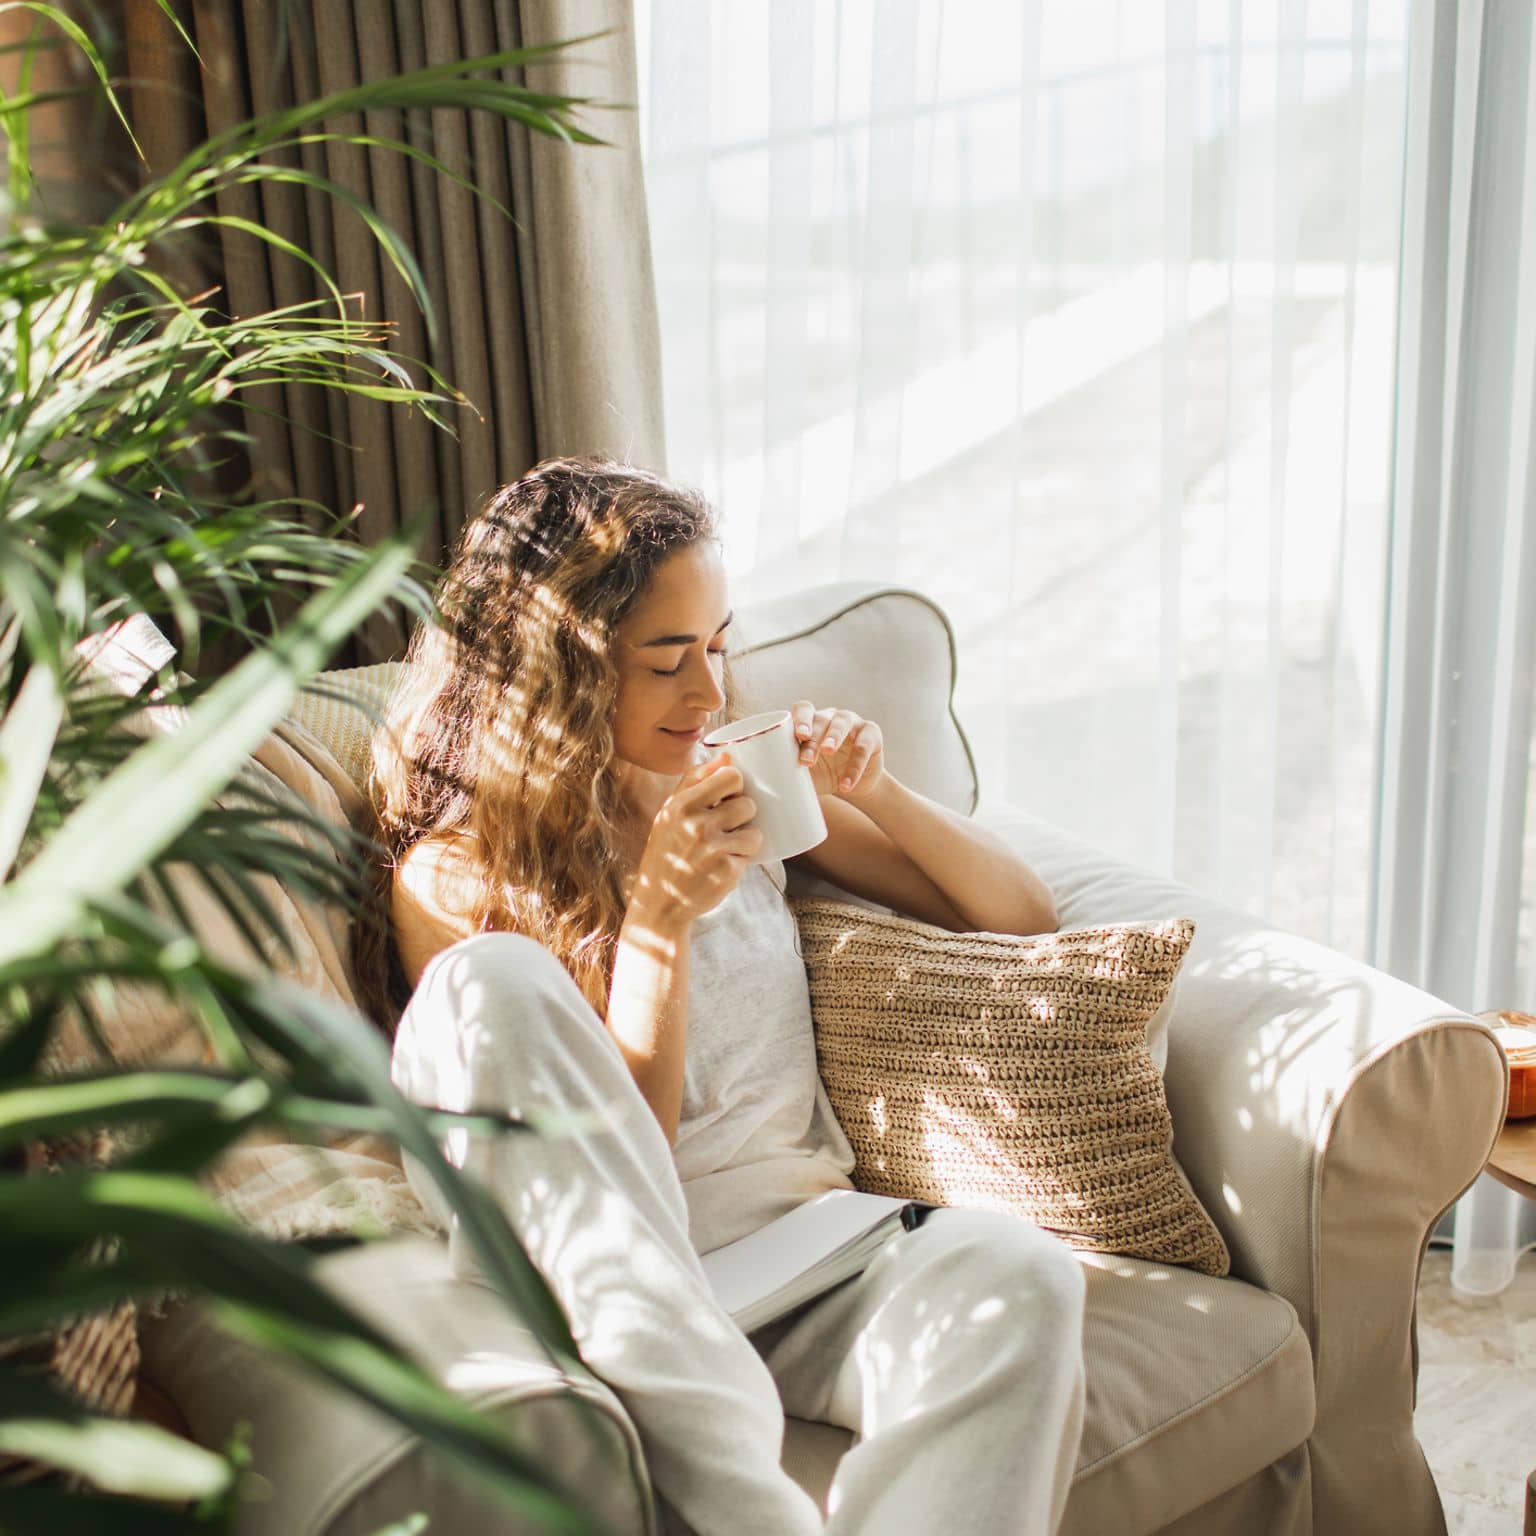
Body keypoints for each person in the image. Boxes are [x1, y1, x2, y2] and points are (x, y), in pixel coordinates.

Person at [357, 458, 1088, 1536]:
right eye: (667, 661)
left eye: (718, 645)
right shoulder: (459, 876)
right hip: (628, 1282)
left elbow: (1021, 918)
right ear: (558, 671)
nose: (709, 694)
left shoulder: (733, 793)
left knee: (1016, 1272)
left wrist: (872, 788)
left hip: (811, 1255)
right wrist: (658, 924)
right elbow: (616, 1171)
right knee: (492, 980)